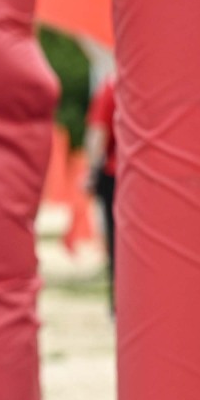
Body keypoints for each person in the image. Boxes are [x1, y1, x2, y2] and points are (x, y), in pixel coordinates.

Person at [83, 71, 118, 312]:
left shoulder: (112, 86)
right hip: (153, 179)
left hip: (116, 175)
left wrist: (92, 171)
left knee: (116, 243)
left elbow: (98, 132)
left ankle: (120, 302)